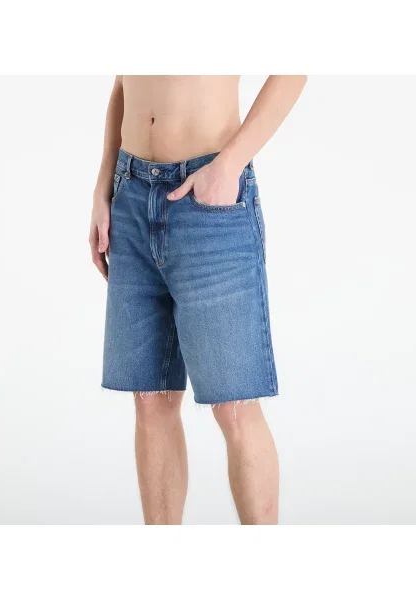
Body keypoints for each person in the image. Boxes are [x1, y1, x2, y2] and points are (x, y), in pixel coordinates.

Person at [90, 75, 307, 524]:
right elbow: (123, 84)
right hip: (131, 195)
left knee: (234, 406)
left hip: (209, 200)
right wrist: (103, 187)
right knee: (150, 400)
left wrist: (229, 165)